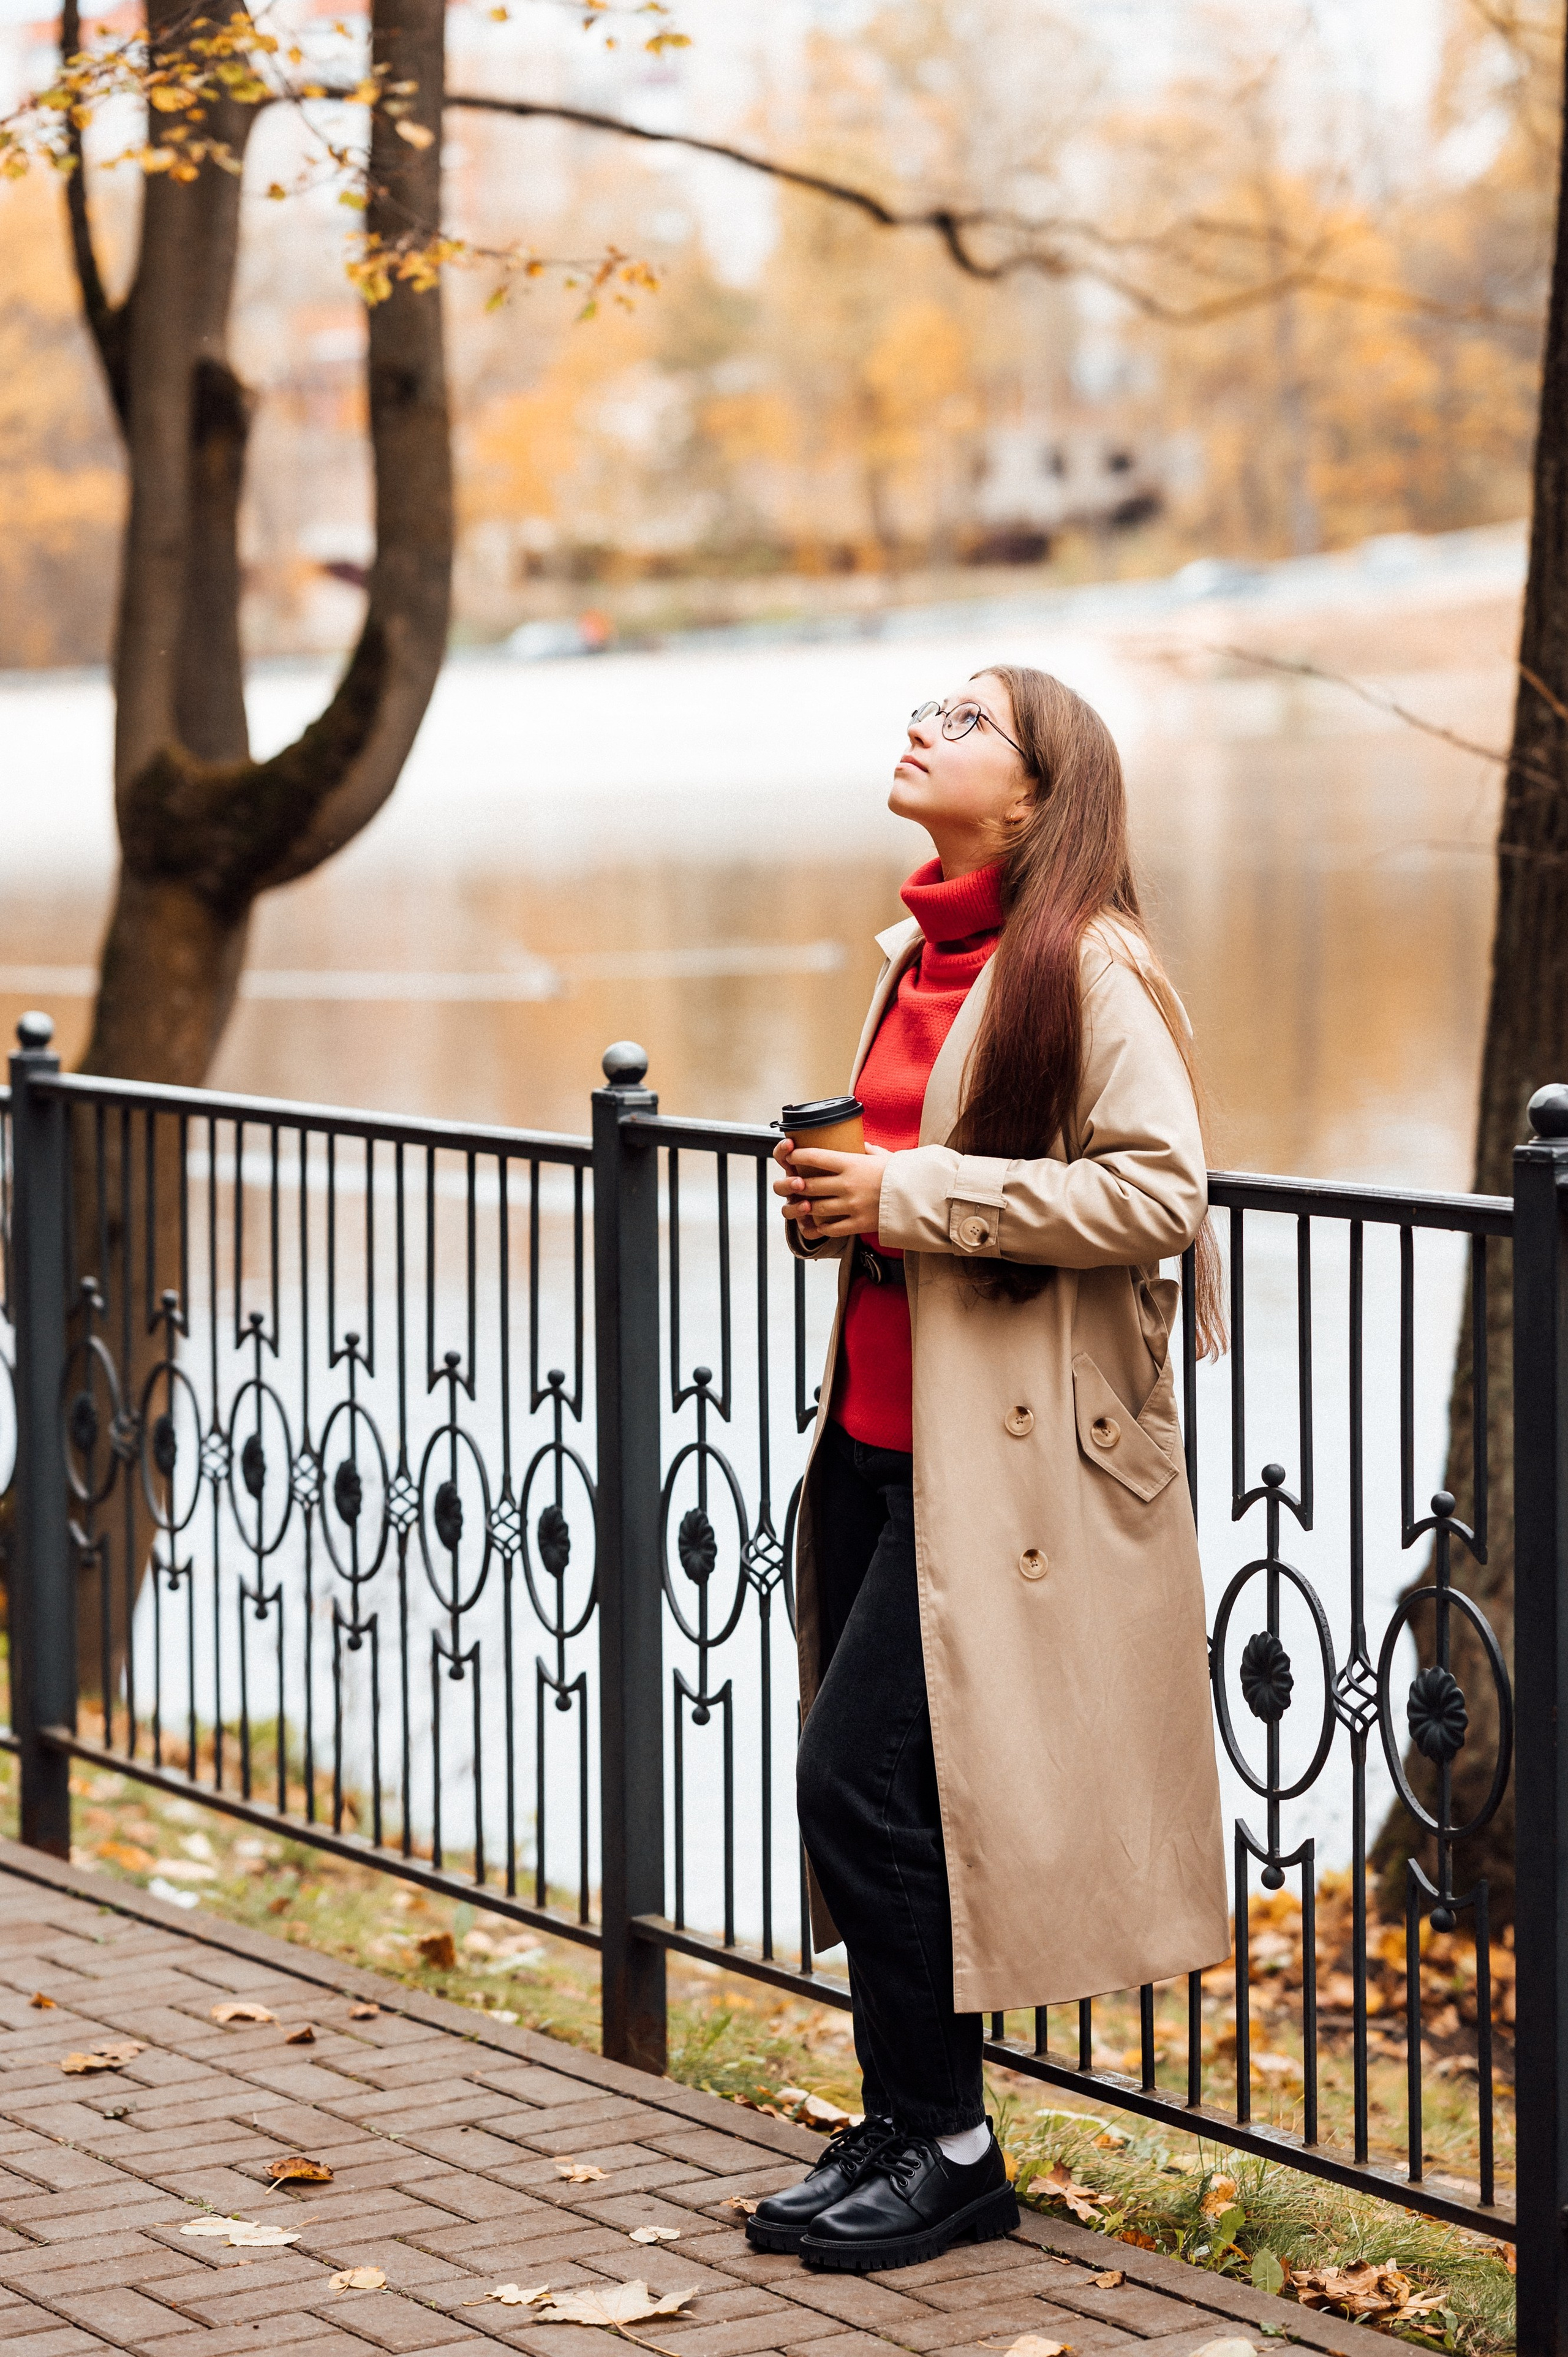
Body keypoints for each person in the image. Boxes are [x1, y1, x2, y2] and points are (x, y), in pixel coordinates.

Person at [751, 666, 1230, 2277]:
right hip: (886, 1439)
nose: (919, 728)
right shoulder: (918, 958)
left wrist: (909, 1197)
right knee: (893, 1791)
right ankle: (906, 2124)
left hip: (1008, 1467)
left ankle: (952, 2149)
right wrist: (848, 1194)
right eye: (925, 710)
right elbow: (913, 1170)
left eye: (960, 722)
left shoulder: (1090, 966)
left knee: (854, 1779)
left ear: (1032, 800)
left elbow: (1159, 1193)